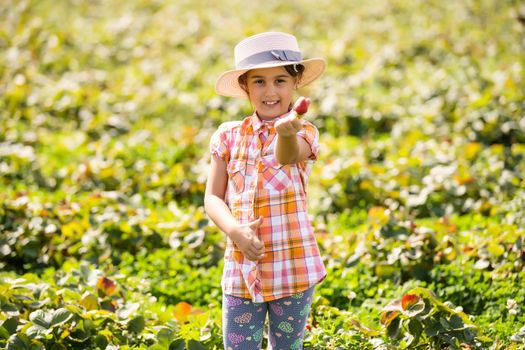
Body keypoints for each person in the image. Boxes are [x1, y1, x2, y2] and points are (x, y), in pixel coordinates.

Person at [204, 31, 327, 350]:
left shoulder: (306, 133)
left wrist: (286, 133)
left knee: (287, 346)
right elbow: (213, 197)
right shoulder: (228, 136)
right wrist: (234, 230)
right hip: (241, 268)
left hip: (293, 267)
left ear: (296, 82)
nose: (270, 91)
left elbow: (287, 157)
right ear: (245, 86)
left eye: (280, 80)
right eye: (259, 81)